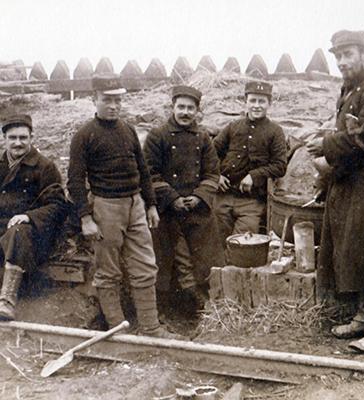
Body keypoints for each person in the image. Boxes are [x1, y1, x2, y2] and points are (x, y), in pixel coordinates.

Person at [67, 74, 181, 338]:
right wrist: (85, 217)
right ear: (93, 99)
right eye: (107, 100)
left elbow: (142, 170)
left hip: (135, 205)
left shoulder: (127, 130)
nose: (113, 106)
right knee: (108, 270)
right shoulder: (84, 135)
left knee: (144, 264)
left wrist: (150, 204)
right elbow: (75, 180)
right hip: (106, 207)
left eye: (118, 100)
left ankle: (151, 328)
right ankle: (118, 330)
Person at [307, 30, 364, 353]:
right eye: (338, 56)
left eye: (349, 54)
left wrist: (325, 145)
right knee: (352, 252)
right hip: (350, 182)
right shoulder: (350, 90)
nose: (343, 62)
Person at [143, 85, 224, 311]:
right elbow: (149, 173)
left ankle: (205, 303)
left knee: (206, 255)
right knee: (164, 258)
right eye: (181, 107)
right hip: (166, 209)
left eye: (190, 108)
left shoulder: (203, 137)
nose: (185, 112)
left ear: (198, 111)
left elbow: (212, 173)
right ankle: (163, 307)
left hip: (197, 207)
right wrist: (172, 198)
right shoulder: (156, 136)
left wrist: (199, 197)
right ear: (173, 107)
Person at [0, 114, 66, 321]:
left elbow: (57, 205)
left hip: (33, 234)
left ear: (31, 138)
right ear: (4, 139)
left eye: (23, 137)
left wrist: (28, 216)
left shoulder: (45, 167)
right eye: (12, 138)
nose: (18, 143)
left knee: (18, 233)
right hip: (2, 226)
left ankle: (7, 300)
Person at [213, 81, 287, 247]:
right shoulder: (233, 127)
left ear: (269, 104)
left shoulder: (275, 131)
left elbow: (280, 165)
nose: (256, 106)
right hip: (222, 197)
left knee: (243, 246)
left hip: (251, 202)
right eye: (252, 101)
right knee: (216, 243)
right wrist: (216, 175)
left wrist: (254, 176)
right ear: (245, 102)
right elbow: (210, 154)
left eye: (261, 101)